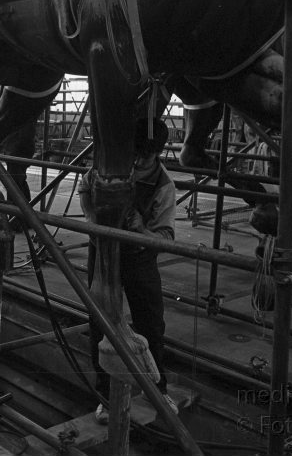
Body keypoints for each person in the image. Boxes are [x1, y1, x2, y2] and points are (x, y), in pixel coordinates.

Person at [79, 117, 176, 424]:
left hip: (138, 257)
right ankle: (106, 396)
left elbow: (166, 240)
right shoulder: (109, 165)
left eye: (144, 156)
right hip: (103, 250)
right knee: (100, 323)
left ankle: (157, 389)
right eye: (133, 152)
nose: (135, 161)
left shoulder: (164, 186)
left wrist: (141, 231)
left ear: (158, 153)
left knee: (150, 321)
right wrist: (94, 220)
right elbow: (85, 186)